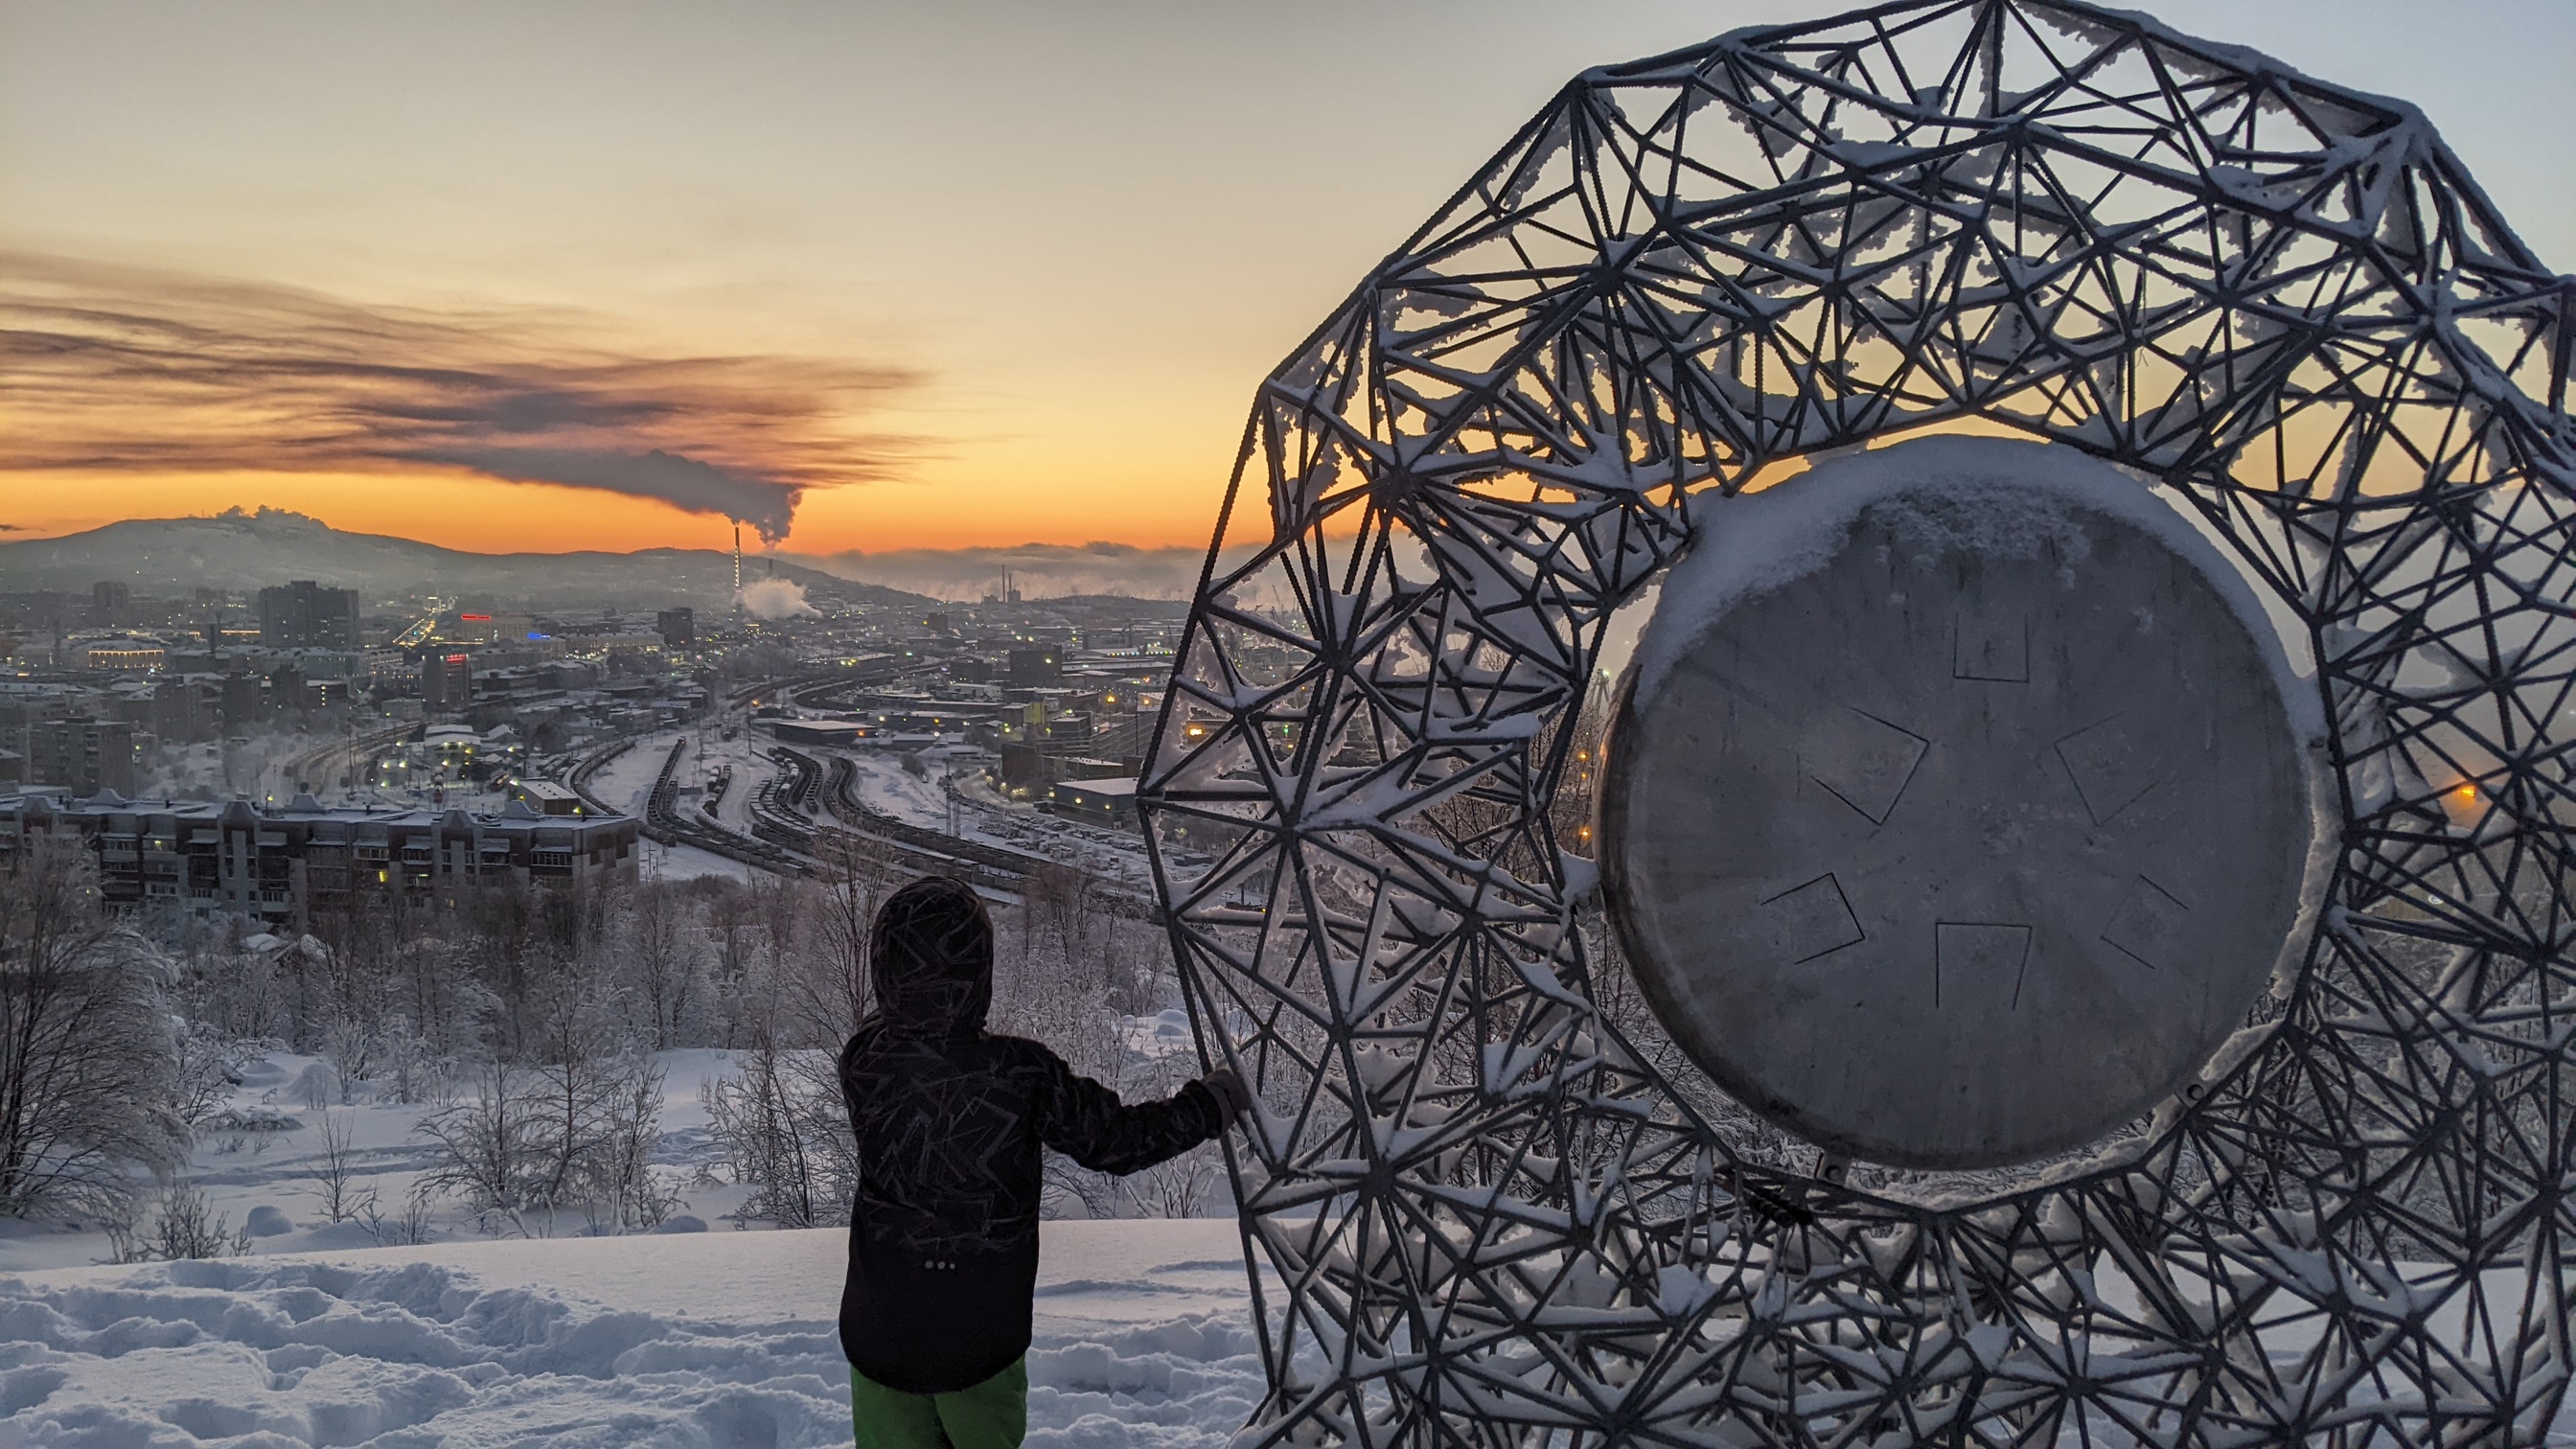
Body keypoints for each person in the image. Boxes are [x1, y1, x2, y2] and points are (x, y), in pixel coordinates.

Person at [838, 874, 1252, 1449]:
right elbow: (1117, 1141)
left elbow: (897, 1032)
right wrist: (1208, 1105)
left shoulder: (863, 1061)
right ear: (979, 975)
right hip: (980, 1342)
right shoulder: (1021, 1076)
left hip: (879, 1334)